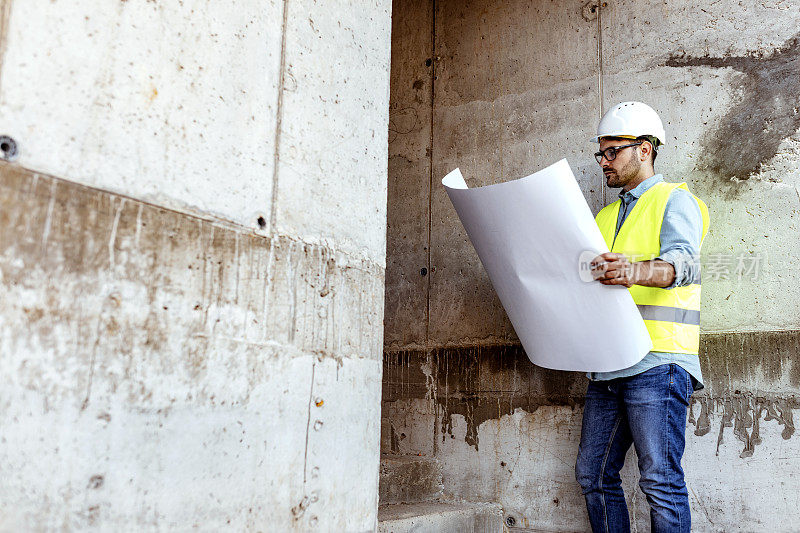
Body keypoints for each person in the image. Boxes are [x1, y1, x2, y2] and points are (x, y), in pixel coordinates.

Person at [574, 101, 710, 533]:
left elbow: (682, 264)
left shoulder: (676, 200)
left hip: (658, 363)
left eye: (612, 151)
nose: (604, 162)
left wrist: (631, 272)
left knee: (660, 482)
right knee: (592, 476)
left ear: (645, 149)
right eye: (601, 153)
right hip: (608, 364)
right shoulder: (603, 215)